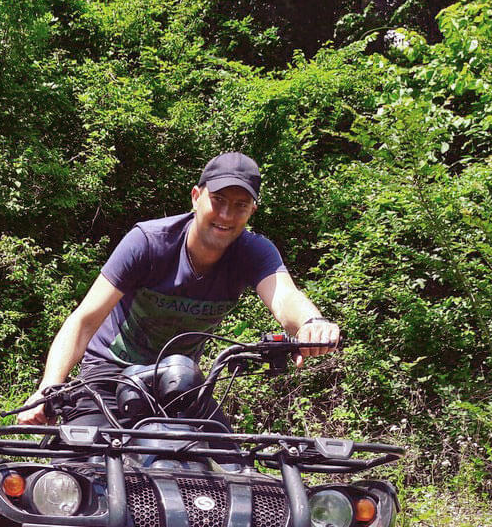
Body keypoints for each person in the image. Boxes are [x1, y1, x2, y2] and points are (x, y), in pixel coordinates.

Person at [17, 152, 341, 427]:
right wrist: (48, 389)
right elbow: (84, 321)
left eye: (240, 205)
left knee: (230, 466)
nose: (227, 215)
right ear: (196, 197)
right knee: (87, 471)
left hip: (179, 382)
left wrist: (312, 323)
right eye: (218, 200)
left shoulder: (253, 251)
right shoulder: (148, 242)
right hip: (109, 375)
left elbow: (284, 296)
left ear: (252, 211)